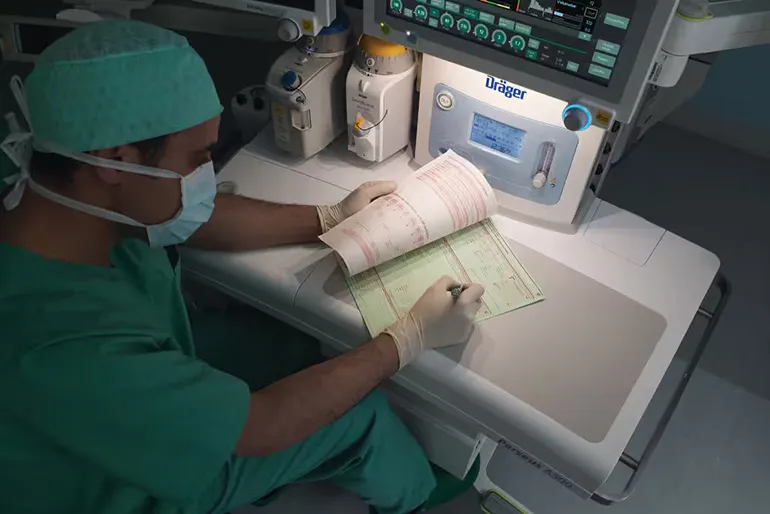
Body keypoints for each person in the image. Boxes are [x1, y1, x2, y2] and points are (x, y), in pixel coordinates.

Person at [0, 19, 486, 514]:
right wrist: (406, 338)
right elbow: (260, 425)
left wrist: (330, 217)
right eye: (198, 158)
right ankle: (419, 500)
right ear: (115, 161)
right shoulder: (59, 344)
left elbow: (187, 216)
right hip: (123, 485)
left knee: (293, 347)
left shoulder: (56, 189)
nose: (205, 176)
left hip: (133, 380)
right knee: (358, 417)